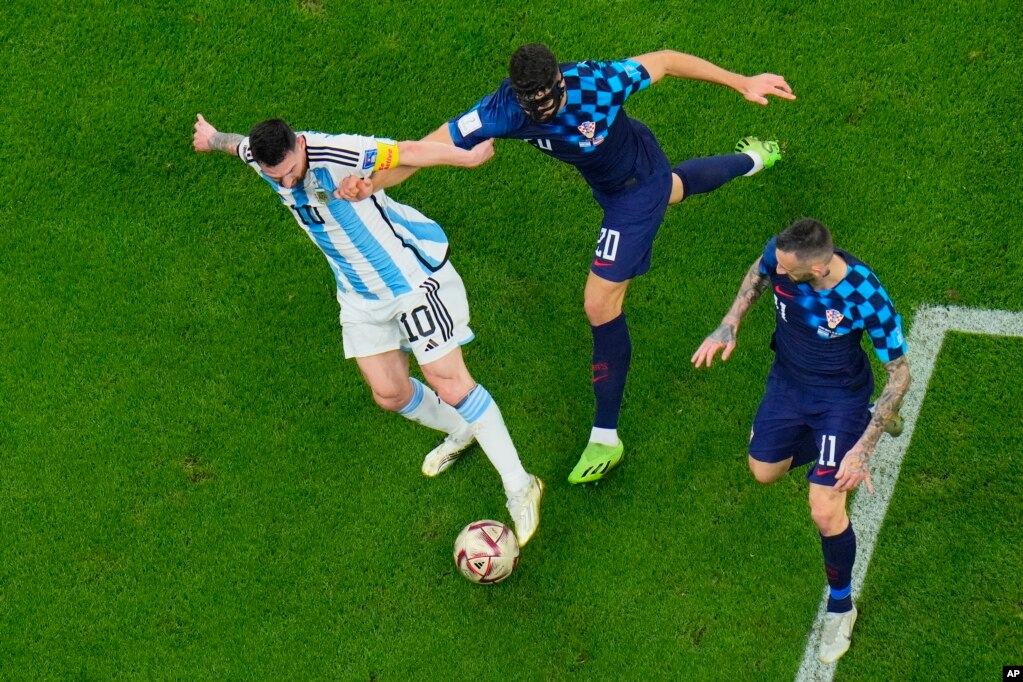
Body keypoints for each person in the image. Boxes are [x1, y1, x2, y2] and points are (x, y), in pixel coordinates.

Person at [338, 44, 795, 484]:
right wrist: (372, 184)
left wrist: (741, 82)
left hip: (634, 190)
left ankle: (605, 437)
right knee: (674, 190)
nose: (543, 112)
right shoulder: (502, 110)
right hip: (613, 183)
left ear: (560, 81)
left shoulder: (596, 83)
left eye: (549, 100)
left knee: (600, 304)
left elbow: (666, 61)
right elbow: (426, 147)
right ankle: (756, 157)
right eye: (532, 107)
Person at [191, 115, 544, 546]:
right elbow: (236, 144)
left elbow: (410, 150)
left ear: (299, 147)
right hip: (357, 295)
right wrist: (211, 139)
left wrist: (465, 158)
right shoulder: (261, 156)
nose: (285, 183)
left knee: (449, 382)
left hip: (407, 282)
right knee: (389, 394)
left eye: (289, 172)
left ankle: (519, 485)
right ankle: (463, 428)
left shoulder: (337, 152)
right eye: (274, 177)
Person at [691, 217, 911, 663]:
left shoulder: (864, 294)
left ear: (816, 267)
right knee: (763, 470)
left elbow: (900, 374)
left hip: (839, 399)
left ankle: (840, 606)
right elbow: (759, 269)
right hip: (788, 384)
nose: (779, 272)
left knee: (825, 509)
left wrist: (860, 447)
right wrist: (730, 321)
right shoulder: (782, 255)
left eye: (788, 270)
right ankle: (867, 424)